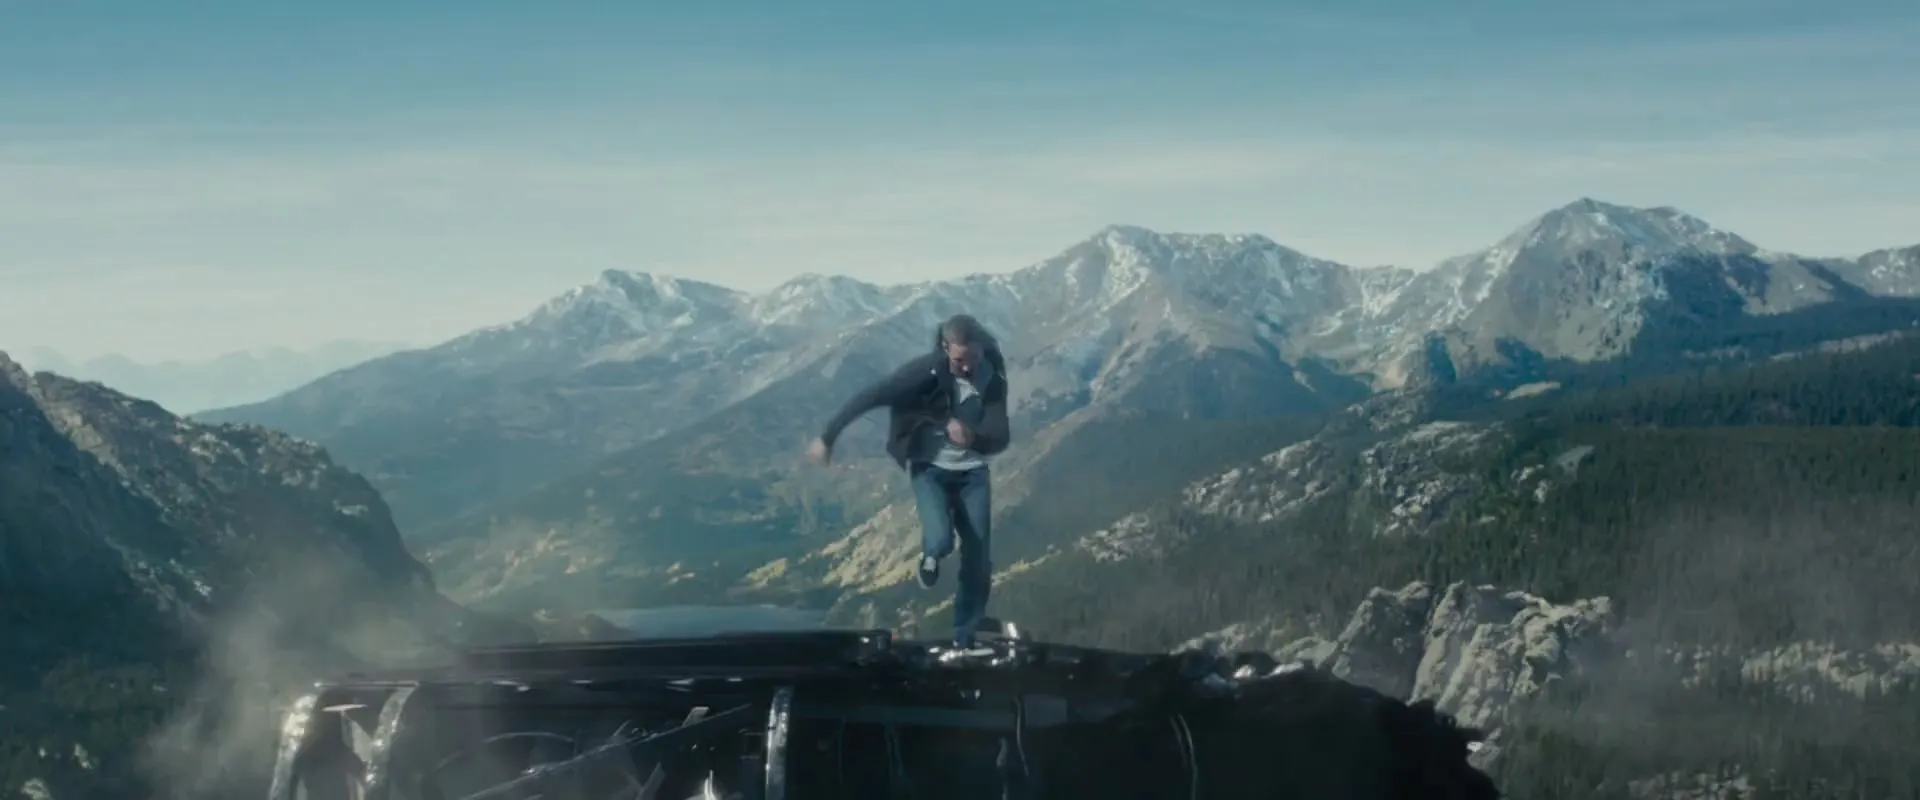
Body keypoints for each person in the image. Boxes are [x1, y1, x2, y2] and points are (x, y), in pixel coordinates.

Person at [807, 314, 1011, 650]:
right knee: (941, 540)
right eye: (959, 360)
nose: (966, 368)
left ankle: (966, 637)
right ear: (945, 349)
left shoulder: (991, 377)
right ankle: (931, 554)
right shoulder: (923, 372)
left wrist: (973, 437)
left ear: (980, 350)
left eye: (972, 358)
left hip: (973, 474)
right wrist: (828, 437)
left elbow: (1001, 435)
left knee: (978, 561)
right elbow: (873, 395)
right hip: (929, 470)